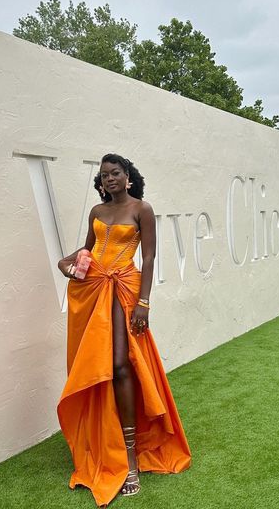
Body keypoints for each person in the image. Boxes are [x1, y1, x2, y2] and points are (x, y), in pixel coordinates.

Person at [57, 154, 191, 506]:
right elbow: (88, 249)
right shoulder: (97, 213)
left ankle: (130, 456)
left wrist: (144, 303)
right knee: (102, 366)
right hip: (93, 289)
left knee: (121, 364)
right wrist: (64, 263)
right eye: (104, 175)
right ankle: (108, 444)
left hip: (126, 289)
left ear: (128, 177)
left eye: (116, 173)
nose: (110, 179)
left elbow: (147, 258)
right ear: (100, 182)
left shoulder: (141, 209)